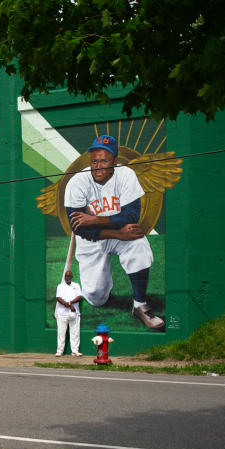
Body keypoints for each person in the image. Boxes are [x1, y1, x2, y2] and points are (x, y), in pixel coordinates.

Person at [65, 134, 164, 330]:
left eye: (104, 160)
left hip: (118, 231)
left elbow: (130, 216)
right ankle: (103, 285)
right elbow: (81, 230)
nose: (98, 165)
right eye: (94, 161)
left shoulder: (125, 175)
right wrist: (118, 233)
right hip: (92, 241)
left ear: (114, 162)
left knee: (138, 242)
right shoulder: (77, 182)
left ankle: (139, 305)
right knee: (96, 297)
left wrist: (94, 219)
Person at [54, 270, 83, 356]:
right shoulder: (60, 286)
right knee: (61, 333)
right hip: (62, 313)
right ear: (64, 277)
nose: (68, 278)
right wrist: (68, 305)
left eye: (69, 276)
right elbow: (58, 298)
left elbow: (79, 296)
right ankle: (60, 351)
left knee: (75, 332)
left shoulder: (76, 285)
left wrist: (70, 303)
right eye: (66, 276)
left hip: (74, 312)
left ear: (72, 277)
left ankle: (75, 351)